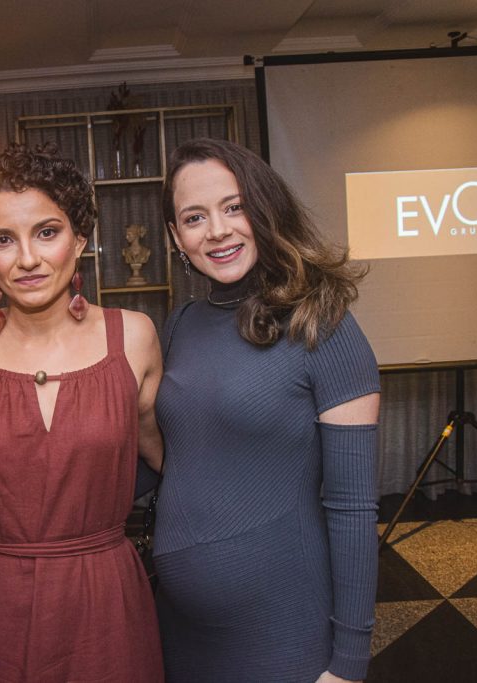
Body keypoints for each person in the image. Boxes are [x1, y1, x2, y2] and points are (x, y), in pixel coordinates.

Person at [154, 138, 381, 683]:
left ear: (265, 209)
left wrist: (350, 661)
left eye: (234, 207)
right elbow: (172, 459)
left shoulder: (324, 325)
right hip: (178, 631)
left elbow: (353, 508)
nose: (217, 230)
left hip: (282, 627)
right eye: (194, 217)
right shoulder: (179, 325)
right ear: (175, 238)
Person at [0, 143, 165, 682]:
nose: (28, 259)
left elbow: (173, 458)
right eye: (2, 240)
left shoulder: (133, 337)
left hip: (103, 600)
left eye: (47, 232)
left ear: (80, 239)